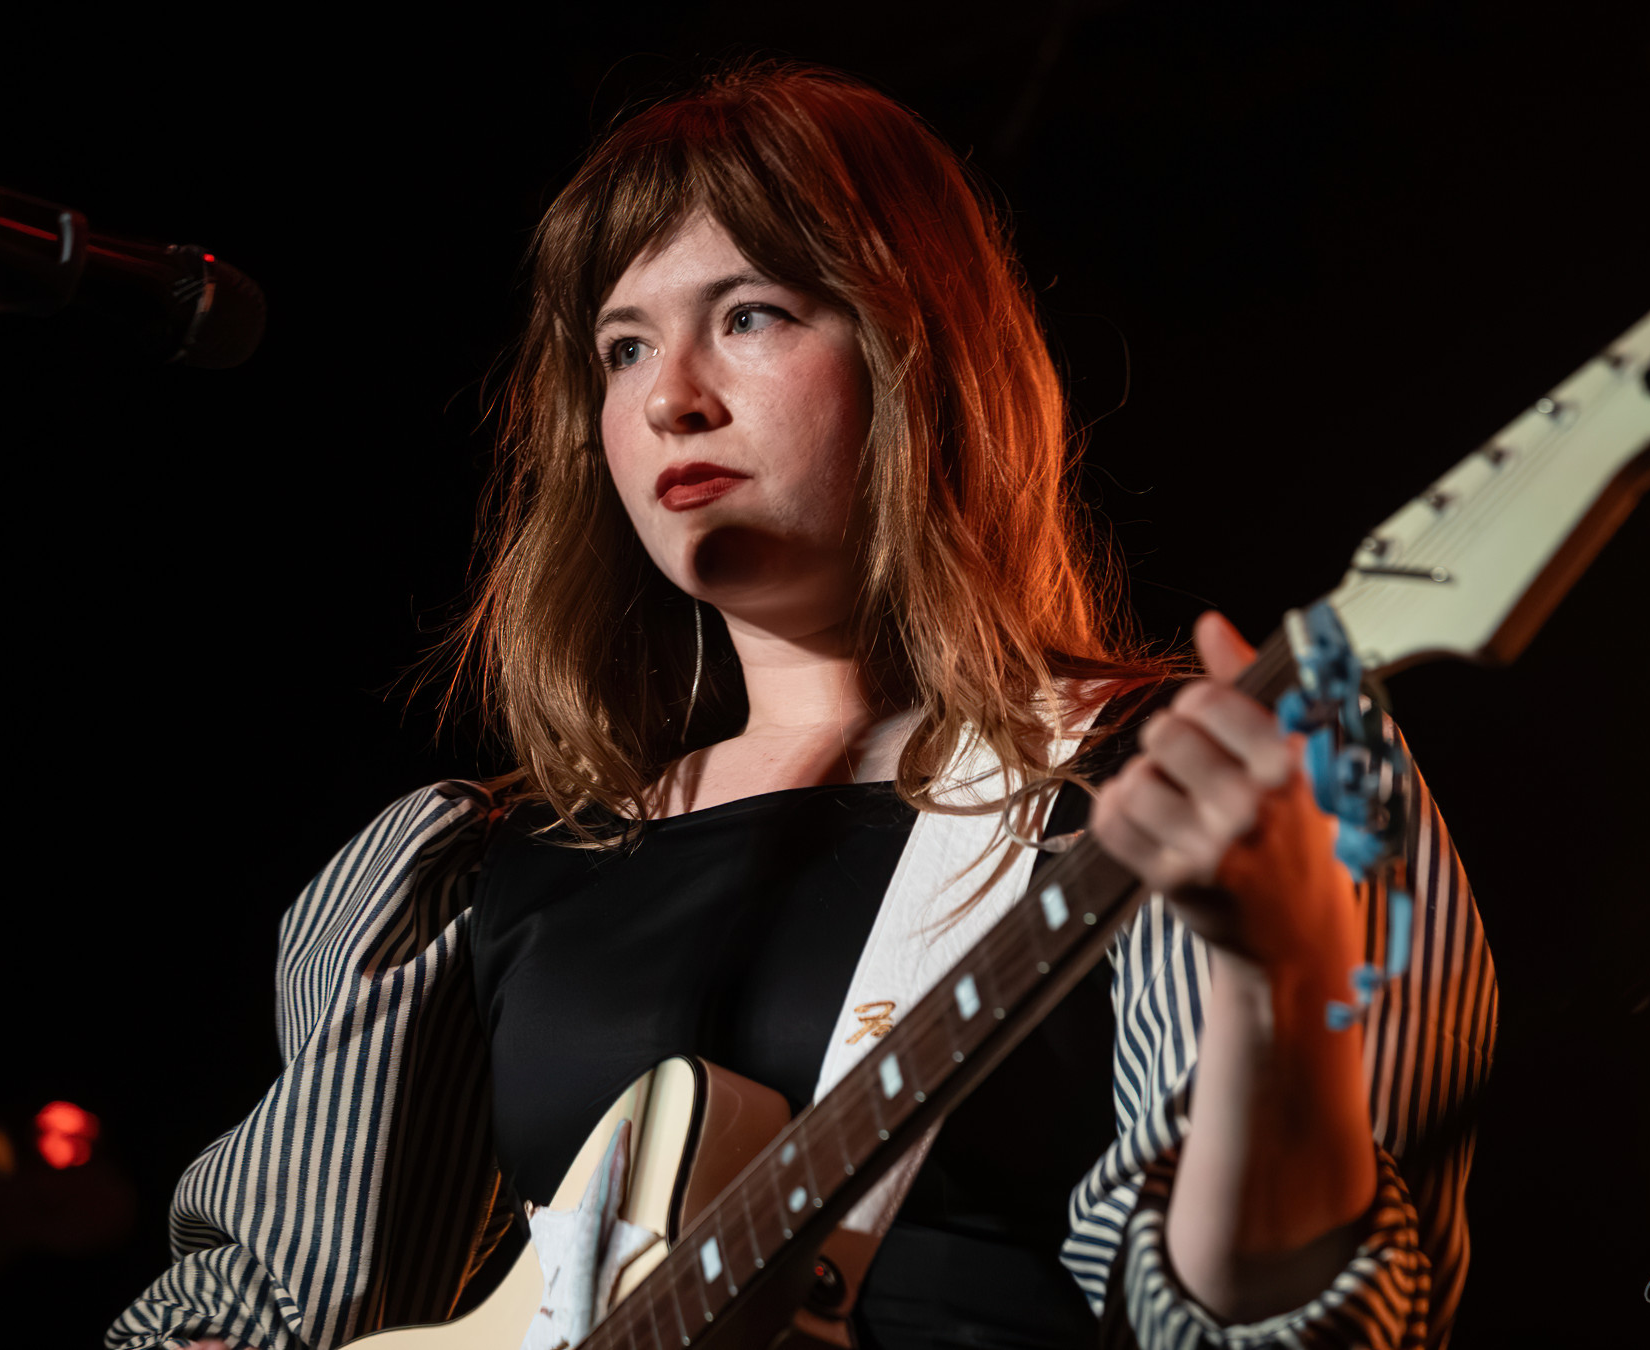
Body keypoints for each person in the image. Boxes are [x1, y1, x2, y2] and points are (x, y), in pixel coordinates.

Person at [110, 61, 1494, 1350]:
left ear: (918, 355)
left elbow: (1303, 1326)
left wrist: (1277, 986)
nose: (672, 397)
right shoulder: (482, 869)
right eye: (622, 348)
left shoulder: (1198, 780)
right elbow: (256, 1311)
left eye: (750, 315)